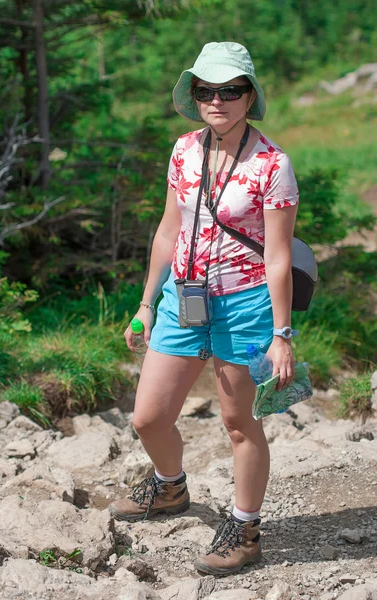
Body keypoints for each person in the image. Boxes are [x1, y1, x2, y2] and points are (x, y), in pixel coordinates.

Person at [109, 41, 299, 576]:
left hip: (244, 306)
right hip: (182, 300)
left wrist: (281, 333)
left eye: (230, 90)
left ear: (249, 95)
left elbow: (280, 256)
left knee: (239, 424)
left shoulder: (272, 164)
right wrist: (146, 304)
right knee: (148, 417)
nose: (217, 100)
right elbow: (169, 231)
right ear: (193, 96)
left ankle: (245, 528)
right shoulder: (183, 150)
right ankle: (170, 488)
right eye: (206, 90)